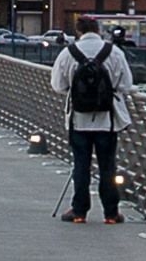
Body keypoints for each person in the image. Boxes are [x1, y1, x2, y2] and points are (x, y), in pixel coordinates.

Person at [50, 17, 133, 222]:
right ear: (98, 30)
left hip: (78, 119)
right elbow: (126, 85)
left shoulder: (69, 53)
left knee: (80, 165)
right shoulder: (113, 52)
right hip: (108, 119)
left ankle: (79, 211)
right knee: (108, 166)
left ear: (78, 31)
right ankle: (111, 213)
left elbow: (58, 86)